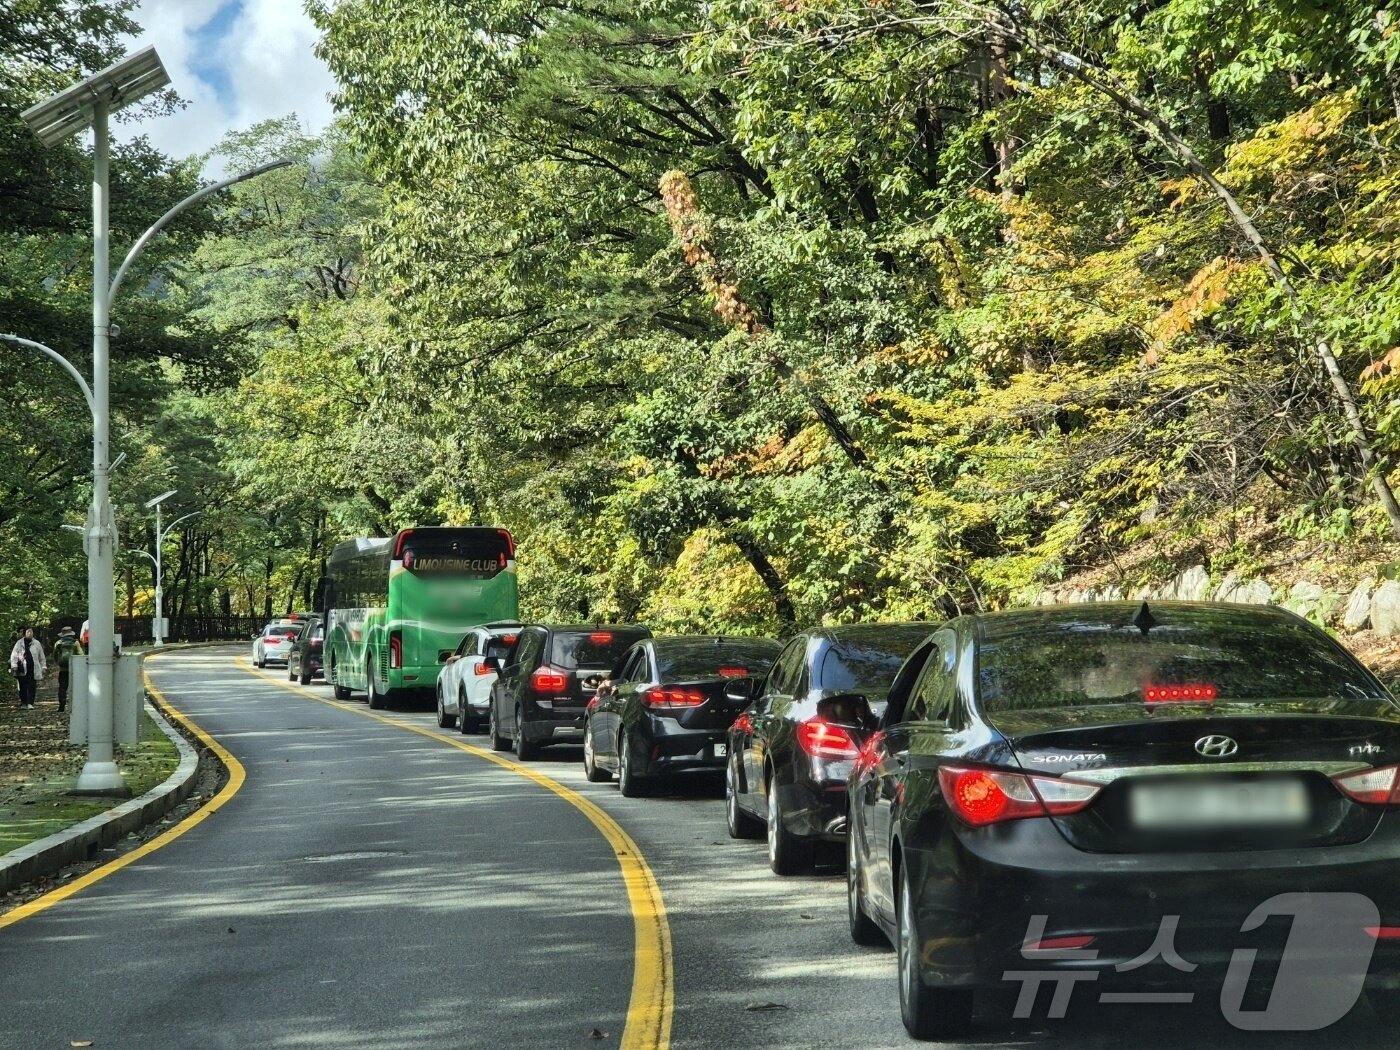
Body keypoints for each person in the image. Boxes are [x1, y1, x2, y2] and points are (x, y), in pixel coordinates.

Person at [9, 627, 47, 710]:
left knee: (32, 685)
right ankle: (24, 702)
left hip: (33, 668)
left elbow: (41, 656)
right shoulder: (19, 643)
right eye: (28, 632)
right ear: (24, 633)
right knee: (22, 686)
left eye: (31, 632)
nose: (30, 633)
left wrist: (43, 666)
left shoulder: (37, 643)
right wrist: (14, 665)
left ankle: (30, 703)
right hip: (22, 668)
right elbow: (14, 655)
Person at [53, 626, 81, 713]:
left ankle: (62, 702)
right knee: (75, 687)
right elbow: (81, 654)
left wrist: (58, 662)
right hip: (74, 669)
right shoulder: (75, 643)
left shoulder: (58, 643)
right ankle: (75, 705)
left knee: (62, 687)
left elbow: (55, 655)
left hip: (63, 669)